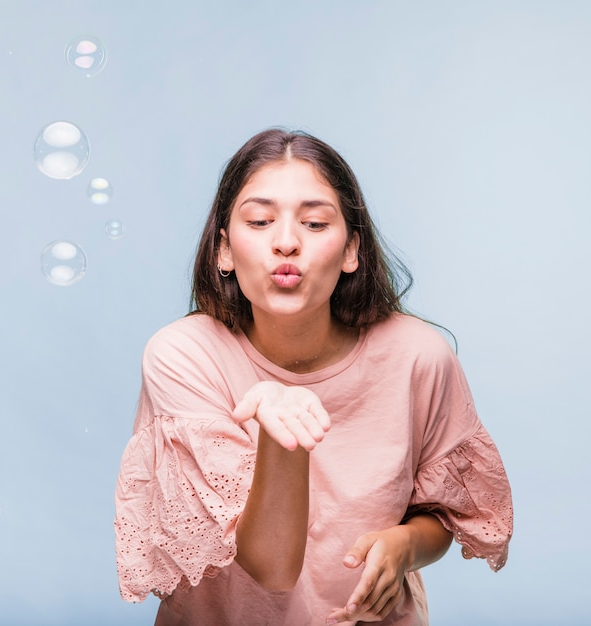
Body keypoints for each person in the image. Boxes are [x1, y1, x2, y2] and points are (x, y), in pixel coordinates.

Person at [114, 128, 513, 625]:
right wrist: (280, 433)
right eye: (259, 220)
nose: (286, 243)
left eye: (316, 223)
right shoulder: (184, 354)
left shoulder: (419, 357)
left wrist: (405, 544)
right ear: (223, 251)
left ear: (351, 252)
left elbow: (440, 515)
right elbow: (272, 567)